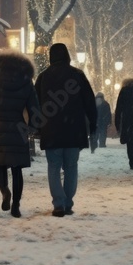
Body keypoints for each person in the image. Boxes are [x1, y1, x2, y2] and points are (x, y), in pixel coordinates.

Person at [34, 43, 97, 217]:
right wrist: (92, 123)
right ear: (67, 56)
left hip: (51, 130)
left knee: (53, 167)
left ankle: (58, 203)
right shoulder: (77, 75)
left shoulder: (43, 77)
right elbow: (89, 101)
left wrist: (37, 125)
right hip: (73, 130)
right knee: (71, 166)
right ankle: (68, 202)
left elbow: (35, 104)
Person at [0, 50, 40, 218]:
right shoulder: (26, 81)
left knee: (1, 164)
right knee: (17, 167)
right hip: (18, 127)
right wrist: (33, 126)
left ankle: (5, 192)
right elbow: (34, 106)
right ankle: (16, 205)